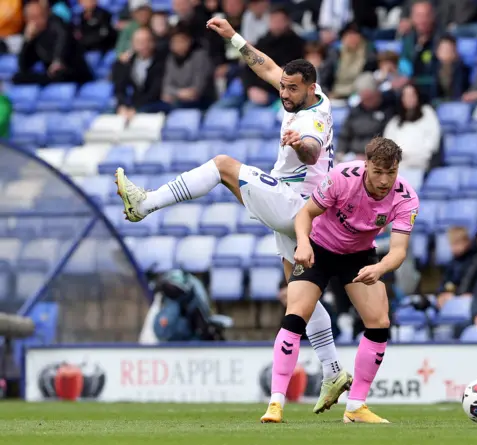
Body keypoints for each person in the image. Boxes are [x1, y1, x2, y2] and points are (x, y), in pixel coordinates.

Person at [114, 16, 350, 415]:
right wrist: (234, 38)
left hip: (296, 204)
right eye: (284, 87)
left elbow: (310, 146)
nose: (284, 93)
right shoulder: (312, 94)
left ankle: (146, 204)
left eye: (292, 89)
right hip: (301, 214)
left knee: (224, 165)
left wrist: (302, 144)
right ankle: (332, 369)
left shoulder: (312, 119)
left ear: (309, 88)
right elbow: (269, 67)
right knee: (298, 294)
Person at [260, 137, 419, 424]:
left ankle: (356, 406)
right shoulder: (341, 178)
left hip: (358, 255)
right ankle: (275, 403)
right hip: (319, 246)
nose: (384, 180)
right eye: (378, 172)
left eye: (391, 173)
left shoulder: (406, 197)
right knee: (296, 315)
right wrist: (303, 243)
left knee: (379, 322)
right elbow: (305, 214)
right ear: (366, 164)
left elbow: (398, 251)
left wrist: (380, 268)